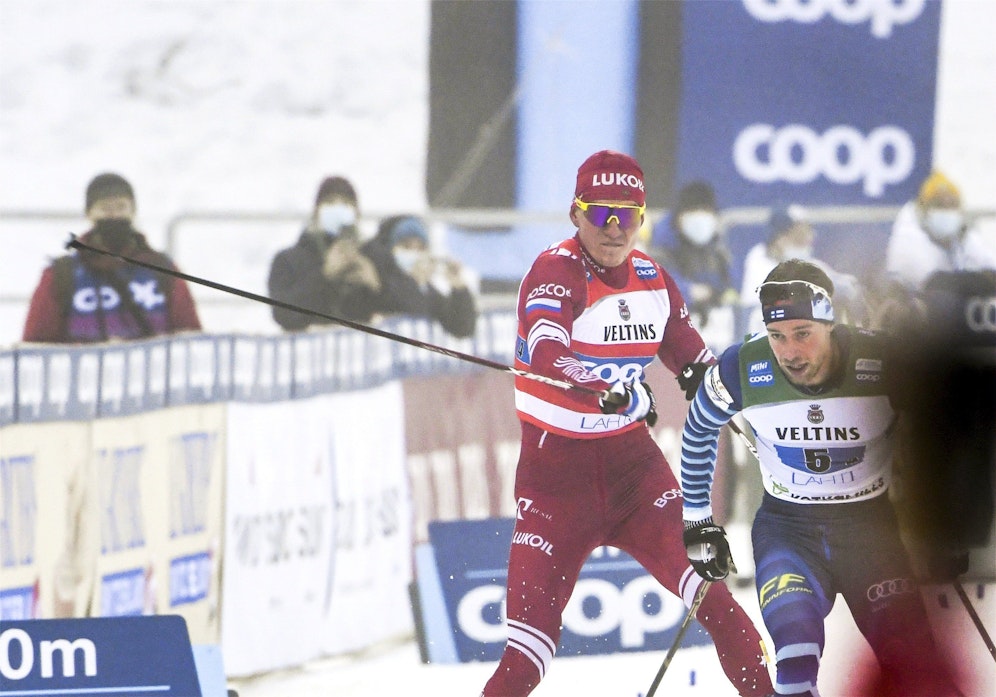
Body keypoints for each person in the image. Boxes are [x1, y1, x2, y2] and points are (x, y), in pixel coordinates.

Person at [480, 150, 774, 697]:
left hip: (635, 477)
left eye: (628, 215)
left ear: (643, 219)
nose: (614, 229)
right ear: (576, 214)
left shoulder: (653, 280)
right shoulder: (555, 270)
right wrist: (606, 386)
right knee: (525, 661)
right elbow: (548, 351)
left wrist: (754, 413)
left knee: (724, 610)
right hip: (555, 485)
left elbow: (698, 366)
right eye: (600, 214)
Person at [679, 259, 964, 697]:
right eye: (777, 336)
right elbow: (698, 428)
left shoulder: (882, 359)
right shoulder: (742, 366)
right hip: (788, 534)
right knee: (793, 663)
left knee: (917, 671)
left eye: (802, 334)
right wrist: (698, 519)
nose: (790, 352)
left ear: (830, 324)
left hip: (872, 535)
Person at [22, 172, 202, 343]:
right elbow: (36, 345)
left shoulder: (163, 269)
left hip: (151, 372)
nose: (114, 215)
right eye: (105, 208)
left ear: (133, 212)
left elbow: (190, 337)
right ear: (90, 213)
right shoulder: (61, 274)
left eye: (121, 207)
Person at [267, 175, 381, 331]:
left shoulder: (375, 255)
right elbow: (283, 314)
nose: (338, 209)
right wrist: (324, 276)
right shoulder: (288, 260)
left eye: (346, 204)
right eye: (330, 202)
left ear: (357, 213)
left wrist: (376, 284)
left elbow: (403, 309)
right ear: (316, 211)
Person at [738, 204, 865, 336]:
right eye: (799, 235)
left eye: (808, 232)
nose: (809, 239)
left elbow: (848, 286)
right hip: (760, 344)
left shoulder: (806, 263)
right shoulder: (759, 260)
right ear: (781, 239)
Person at [362, 214, 477, 338]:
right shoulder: (376, 283)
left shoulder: (426, 289)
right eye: (406, 246)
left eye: (420, 248)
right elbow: (408, 310)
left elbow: (462, 328)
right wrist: (415, 282)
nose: (414, 253)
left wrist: (458, 288)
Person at [884, 170, 996, 293]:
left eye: (953, 205)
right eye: (939, 205)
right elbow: (932, 282)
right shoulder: (908, 237)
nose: (947, 211)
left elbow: (990, 265)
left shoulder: (960, 235)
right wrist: (982, 280)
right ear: (923, 210)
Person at [648, 180, 739, 332]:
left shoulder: (718, 253)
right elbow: (660, 287)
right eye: (694, 210)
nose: (700, 217)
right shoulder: (660, 252)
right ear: (679, 217)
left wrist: (721, 294)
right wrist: (690, 292)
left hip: (714, 335)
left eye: (705, 210)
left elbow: (732, 285)